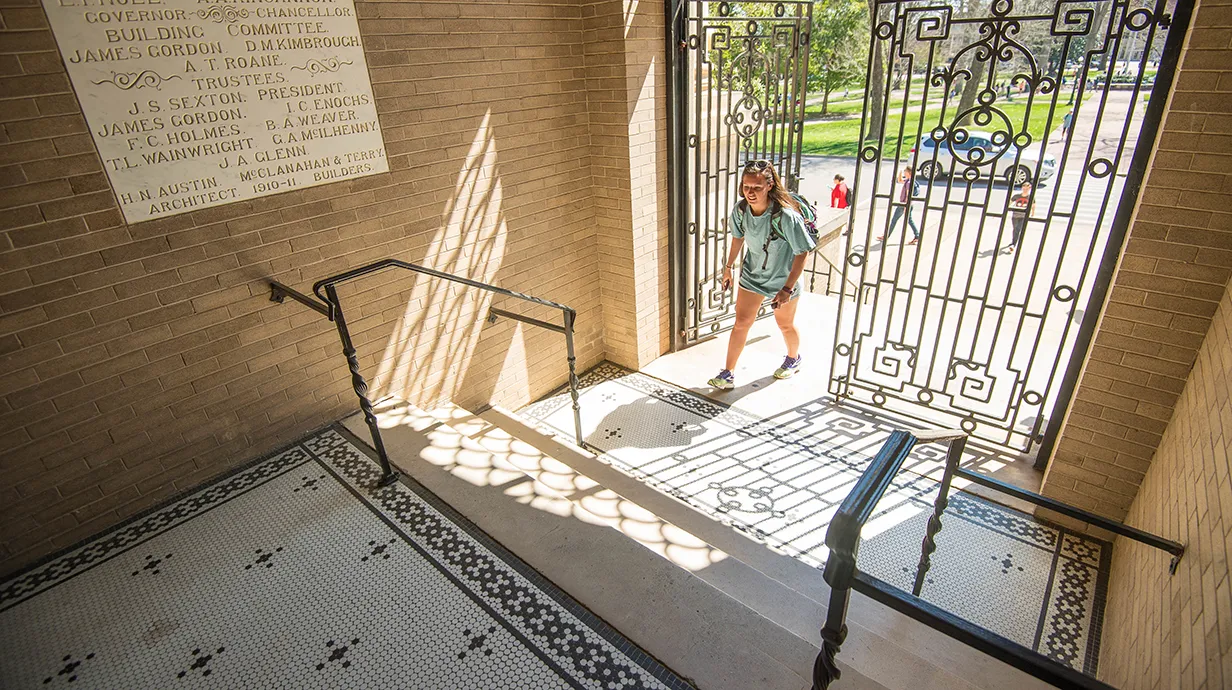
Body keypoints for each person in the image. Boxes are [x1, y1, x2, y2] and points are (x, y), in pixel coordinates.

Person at [707, 159, 816, 390]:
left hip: (783, 279)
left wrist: (787, 288)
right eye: (746, 187)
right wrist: (728, 267)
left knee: (784, 324)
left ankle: (793, 358)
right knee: (741, 323)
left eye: (756, 187)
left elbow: (803, 252)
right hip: (752, 275)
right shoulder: (741, 210)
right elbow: (738, 238)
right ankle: (728, 373)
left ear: (769, 186)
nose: (750, 192)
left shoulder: (786, 216)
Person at [877, 167, 920, 245]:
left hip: (904, 204)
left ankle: (886, 236)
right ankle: (917, 236)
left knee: (895, 220)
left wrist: (905, 206)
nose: (904, 172)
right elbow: (899, 180)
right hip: (908, 204)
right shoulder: (911, 181)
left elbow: (908, 195)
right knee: (908, 220)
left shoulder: (909, 183)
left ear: (909, 172)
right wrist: (900, 172)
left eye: (905, 171)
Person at [1008, 181, 1033, 253]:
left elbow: (1033, 205)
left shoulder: (1030, 197)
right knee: (1015, 228)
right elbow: (1010, 202)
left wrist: (1032, 213)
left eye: (1027, 188)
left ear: (1029, 189)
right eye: (1024, 188)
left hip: (1023, 216)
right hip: (1015, 215)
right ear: (1022, 188)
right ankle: (1013, 242)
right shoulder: (1017, 196)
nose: (1025, 190)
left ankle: (1013, 244)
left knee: (1018, 229)